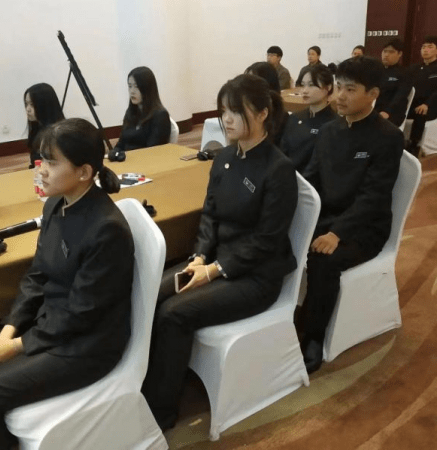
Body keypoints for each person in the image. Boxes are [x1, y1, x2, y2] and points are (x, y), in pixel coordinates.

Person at [0, 118, 134, 450]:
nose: (40, 169)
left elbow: (82, 314)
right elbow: (37, 276)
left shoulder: (106, 228)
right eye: (42, 159)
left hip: (86, 348)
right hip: (49, 327)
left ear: (84, 172)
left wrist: (17, 346)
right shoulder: (56, 204)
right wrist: (9, 330)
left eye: (52, 162)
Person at [142, 74, 298, 431]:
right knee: (151, 293)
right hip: (216, 262)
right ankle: (147, 382)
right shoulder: (225, 157)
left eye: (235, 112)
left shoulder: (278, 169)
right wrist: (199, 256)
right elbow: (210, 215)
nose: (226, 119)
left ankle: (160, 411)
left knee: (173, 313)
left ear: (262, 113)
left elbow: (266, 241)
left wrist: (214, 270)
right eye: (223, 111)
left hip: (257, 276)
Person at [300, 56, 404, 374]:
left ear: (373, 94)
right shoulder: (329, 132)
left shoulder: (387, 136)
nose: (340, 96)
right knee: (277, 236)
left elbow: (374, 197)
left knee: (323, 259)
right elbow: (311, 180)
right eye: (339, 87)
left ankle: (313, 336)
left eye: (350, 89)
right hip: (327, 217)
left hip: (365, 227)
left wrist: (338, 232)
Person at [280, 64, 339, 173]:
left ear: (328, 87)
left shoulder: (335, 124)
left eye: (311, 85)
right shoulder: (294, 117)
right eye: (303, 85)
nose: (305, 91)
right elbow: (283, 151)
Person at [112, 66, 171, 155]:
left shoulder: (160, 115)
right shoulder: (131, 112)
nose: (132, 91)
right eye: (130, 86)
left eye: (136, 86)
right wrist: (115, 153)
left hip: (147, 161)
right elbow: (121, 144)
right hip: (128, 160)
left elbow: (153, 151)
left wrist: (127, 156)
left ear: (148, 88)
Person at [406, 36, 437, 156]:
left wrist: (427, 104)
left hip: (431, 106)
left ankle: (414, 145)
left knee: (420, 112)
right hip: (412, 104)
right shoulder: (414, 68)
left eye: (430, 47)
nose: (425, 49)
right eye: (423, 47)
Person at [24, 83, 65, 168]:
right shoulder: (37, 129)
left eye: (32, 104)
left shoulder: (57, 135)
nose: (28, 109)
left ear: (45, 105)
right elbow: (36, 163)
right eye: (26, 104)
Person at [375, 38, 412, 127]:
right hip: (374, 109)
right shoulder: (375, 71)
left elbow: (401, 95)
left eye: (391, 52)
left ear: (400, 54)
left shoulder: (405, 73)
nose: (386, 55)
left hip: (393, 112)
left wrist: (388, 111)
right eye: (385, 51)